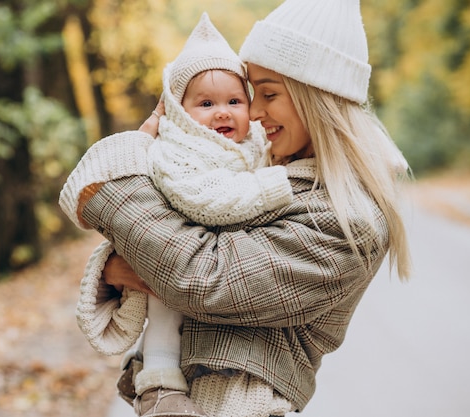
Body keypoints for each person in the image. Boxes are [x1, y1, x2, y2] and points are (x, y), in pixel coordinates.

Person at [60, 1, 411, 416]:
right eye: (252, 95)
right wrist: (122, 266)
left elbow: (203, 277)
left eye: (269, 94)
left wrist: (125, 169)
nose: (255, 114)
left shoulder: (349, 220)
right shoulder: (266, 167)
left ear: (315, 97)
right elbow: (178, 240)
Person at [71, 13, 294, 417]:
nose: (222, 113)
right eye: (206, 104)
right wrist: (270, 188)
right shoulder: (180, 151)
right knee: (164, 312)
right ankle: (158, 385)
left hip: (214, 277)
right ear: (178, 112)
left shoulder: (257, 144)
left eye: (234, 101)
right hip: (173, 248)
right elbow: (198, 198)